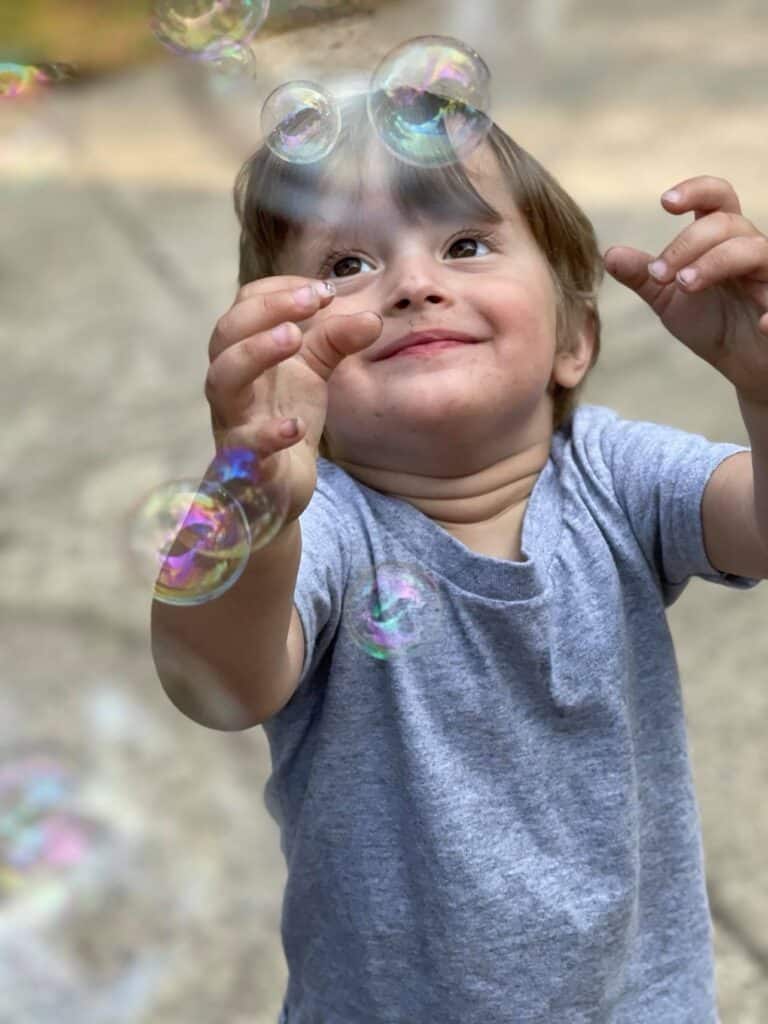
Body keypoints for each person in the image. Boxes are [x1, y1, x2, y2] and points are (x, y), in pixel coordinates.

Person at [151, 87, 768, 1023]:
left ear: (575, 338)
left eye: (465, 245)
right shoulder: (328, 529)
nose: (411, 284)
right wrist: (249, 505)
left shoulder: (613, 473)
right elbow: (216, 683)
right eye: (347, 263)